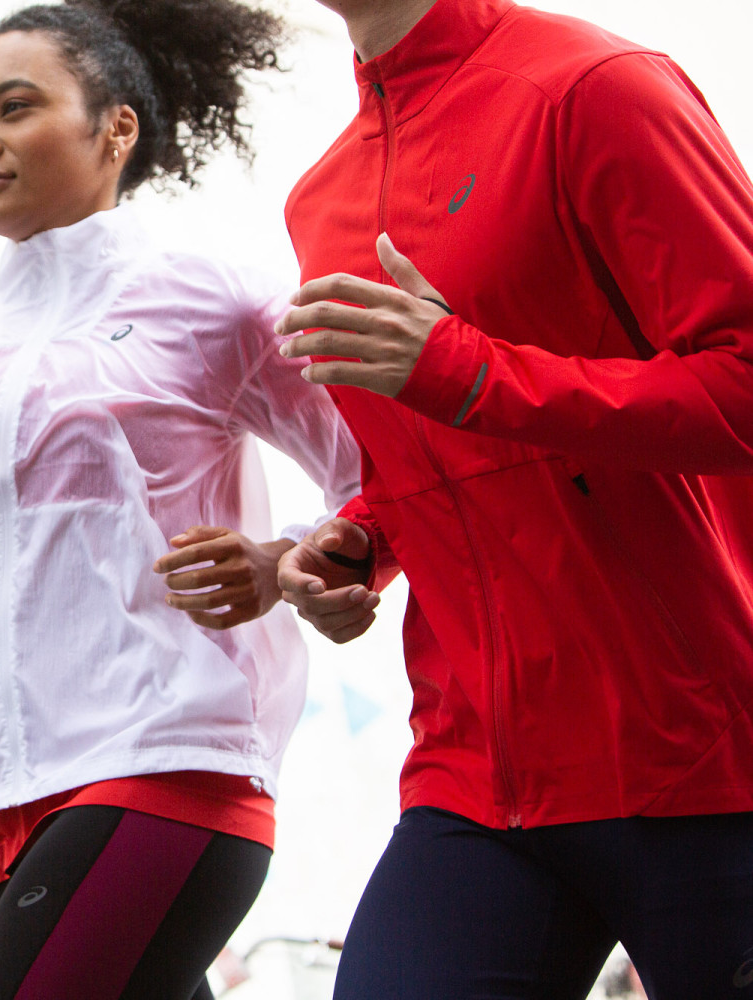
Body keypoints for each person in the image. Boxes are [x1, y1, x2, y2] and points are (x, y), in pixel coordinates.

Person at [0, 4, 360, 997]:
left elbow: (378, 473)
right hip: (0, 809)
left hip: (169, 767)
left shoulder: (213, 298)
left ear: (115, 128)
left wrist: (286, 560)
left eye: (13, 109)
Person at [275, 0, 753, 996]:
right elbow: (434, 454)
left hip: (698, 751)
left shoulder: (594, 90)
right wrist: (362, 540)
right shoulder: (319, 198)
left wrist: (476, 372)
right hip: (476, 772)